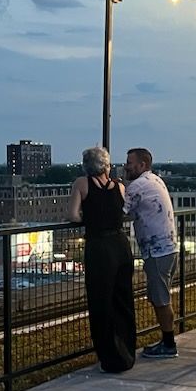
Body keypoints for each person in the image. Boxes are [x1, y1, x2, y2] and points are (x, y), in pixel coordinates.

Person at [68, 146, 136, 373]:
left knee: (101, 302)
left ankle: (110, 357)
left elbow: (73, 215)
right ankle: (127, 351)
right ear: (107, 165)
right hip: (121, 246)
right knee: (123, 300)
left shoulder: (82, 184)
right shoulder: (120, 186)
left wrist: (88, 217)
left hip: (99, 247)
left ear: (86, 165)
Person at [123, 148, 179, 358]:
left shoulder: (138, 185)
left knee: (160, 299)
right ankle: (167, 341)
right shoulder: (155, 180)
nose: (126, 167)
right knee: (161, 297)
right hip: (168, 248)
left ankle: (169, 344)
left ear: (142, 165)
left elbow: (120, 211)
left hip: (157, 252)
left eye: (130, 163)